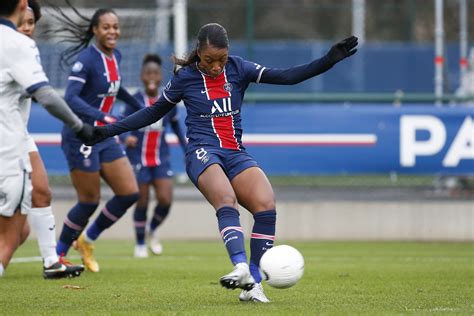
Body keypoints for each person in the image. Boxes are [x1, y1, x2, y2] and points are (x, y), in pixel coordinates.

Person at [84, 23, 358, 302]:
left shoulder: (240, 69)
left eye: (221, 60)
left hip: (235, 153)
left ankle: (253, 284)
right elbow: (152, 113)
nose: (216, 66)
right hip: (202, 153)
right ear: (198, 54)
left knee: (266, 206)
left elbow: (288, 77)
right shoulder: (185, 78)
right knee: (226, 200)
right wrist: (108, 130)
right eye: (209, 60)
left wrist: (328, 60)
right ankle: (239, 265)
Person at [0, 0, 92, 278]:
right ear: (21, 4)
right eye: (24, 21)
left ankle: (51, 260)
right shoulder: (18, 45)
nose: (27, 27)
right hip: (7, 145)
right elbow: (47, 96)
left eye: (32, 23)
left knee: (39, 193)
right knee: (11, 237)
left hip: (16, 135)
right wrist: (79, 126)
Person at [51, 1, 142, 272]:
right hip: (81, 137)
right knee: (89, 200)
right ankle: (57, 256)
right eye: (106, 27)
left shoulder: (117, 56)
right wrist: (105, 117)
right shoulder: (86, 60)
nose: (112, 31)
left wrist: (141, 107)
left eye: (115, 27)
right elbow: (70, 98)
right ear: (95, 30)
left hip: (104, 136)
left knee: (129, 193)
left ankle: (87, 240)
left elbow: (116, 88)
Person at [120, 54, 187, 258]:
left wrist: (188, 150)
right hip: (138, 159)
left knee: (165, 199)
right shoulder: (135, 101)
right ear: (142, 76)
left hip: (160, 159)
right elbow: (121, 123)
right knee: (141, 202)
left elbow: (176, 126)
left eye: (155, 73)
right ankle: (140, 243)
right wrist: (125, 138)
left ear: (160, 77)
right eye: (148, 73)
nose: (152, 76)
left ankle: (152, 228)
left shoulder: (167, 99)